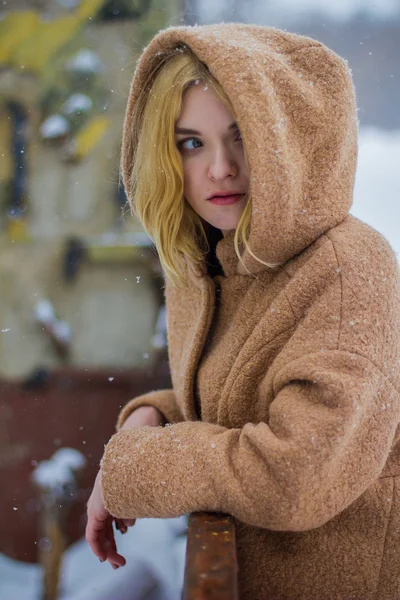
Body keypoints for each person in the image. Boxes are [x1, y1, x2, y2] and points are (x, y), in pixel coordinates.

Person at [86, 23, 400, 599]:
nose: (221, 168)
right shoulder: (208, 260)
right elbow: (237, 398)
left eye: (242, 137)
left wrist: (134, 469)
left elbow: (295, 475)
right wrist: (148, 417)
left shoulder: (347, 267)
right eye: (191, 142)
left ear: (290, 138)